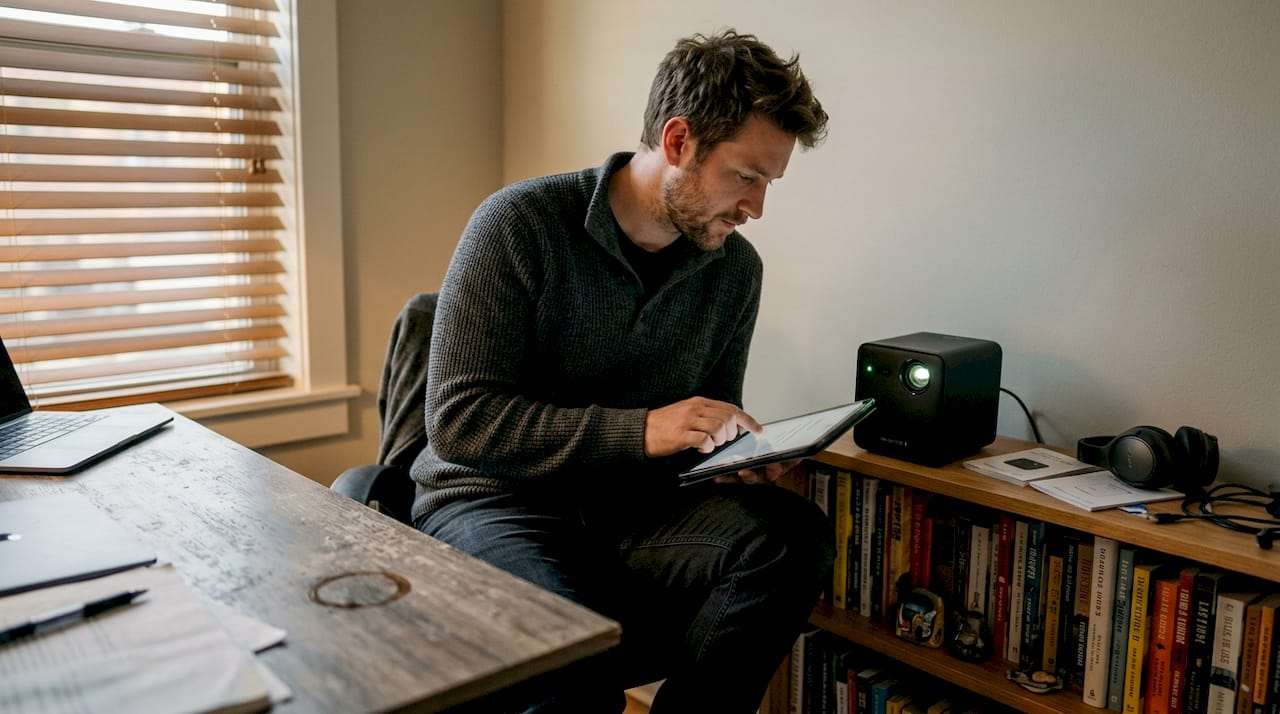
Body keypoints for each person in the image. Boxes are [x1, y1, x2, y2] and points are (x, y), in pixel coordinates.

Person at [412, 28, 831, 713]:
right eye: (747, 177)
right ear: (677, 142)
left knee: (793, 536)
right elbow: (460, 423)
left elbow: (702, 418)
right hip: (493, 502)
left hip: (633, 513)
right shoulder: (518, 225)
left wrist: (734, 456)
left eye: (768, 183)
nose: (756, 209)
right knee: (577, 656)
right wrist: (642, 431)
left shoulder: (734, 273)